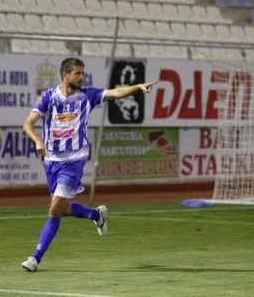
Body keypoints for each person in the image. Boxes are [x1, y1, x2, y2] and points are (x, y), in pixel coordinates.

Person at [21, 57, 157, 272]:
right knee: (64, 208)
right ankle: (96, 215)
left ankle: (35, 258)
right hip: (52, 161)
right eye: (78, 73)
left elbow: (115, 93)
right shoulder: (48, 97)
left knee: (55, 208)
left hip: (74, 160)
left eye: (83, 73)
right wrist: (37, 140)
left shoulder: (88, 96)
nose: (82, 77)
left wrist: (136, 89)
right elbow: (27, 123)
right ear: (66, 74)